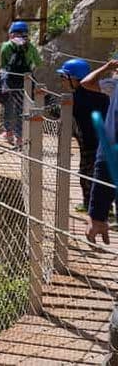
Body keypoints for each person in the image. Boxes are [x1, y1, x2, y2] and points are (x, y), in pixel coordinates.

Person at [58, 59, 110, 212]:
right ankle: (92, 205)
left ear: (74, 79)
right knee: (90, 175)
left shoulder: (81, 97)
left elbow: (59, 111)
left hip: (93, 143)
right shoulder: (97, 94)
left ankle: (100, 209)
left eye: (64, 77)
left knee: (91, 176)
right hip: (96, 141)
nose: (62, 81)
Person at [80, 59, 118, 244]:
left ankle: (98, 221)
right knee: (102, 185)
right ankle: (98, 221)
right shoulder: (114, 85)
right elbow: (86, 83)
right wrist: (107, 67)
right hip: (109, 148)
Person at [0, 21, 41, 146]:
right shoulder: (30, 47)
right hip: (25, 82)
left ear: (12, 33)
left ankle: (9, 132)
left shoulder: (6, 46)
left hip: (10, 82)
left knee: (8, 106)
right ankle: (20, 137)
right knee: (21, 108)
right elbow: (38, 63)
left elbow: (3, 64)